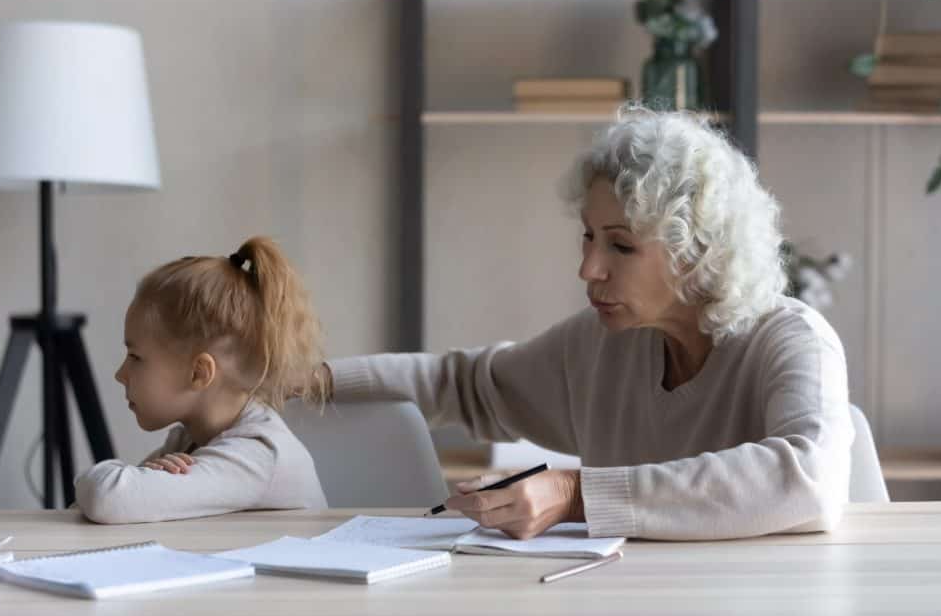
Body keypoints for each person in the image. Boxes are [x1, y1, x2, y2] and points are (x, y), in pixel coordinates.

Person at [320, 104, 855, 541]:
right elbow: (462, 385)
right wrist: (311, 380)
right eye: (588, 236)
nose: (588, 269)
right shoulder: (601, 344)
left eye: (621, 245)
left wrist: (576, 495)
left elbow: (808, 479)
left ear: (694, 253)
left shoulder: (791, 340)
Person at [75, 236, 328, 523]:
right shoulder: (190, 438)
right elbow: (86, 507)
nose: (120, 375)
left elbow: (107, 498)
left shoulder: (258, 455)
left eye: (135, 357)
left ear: (199, 373)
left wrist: (109, 477)